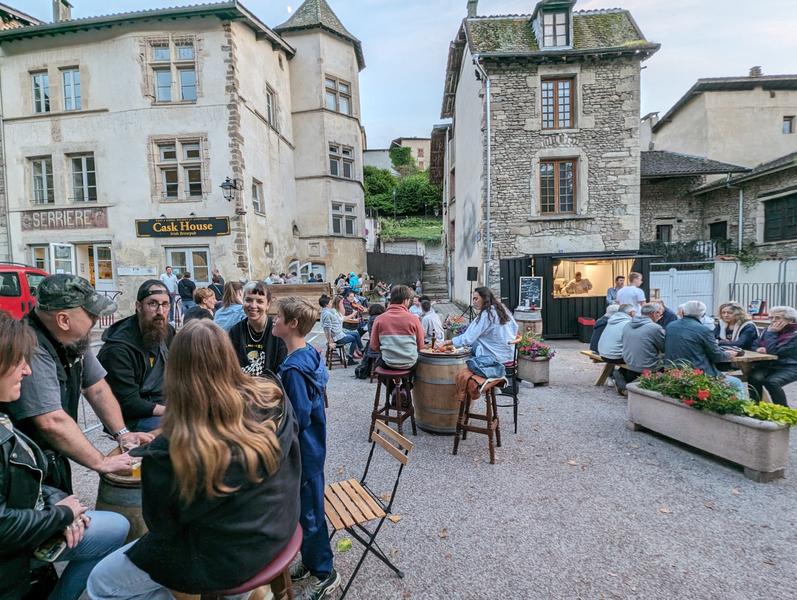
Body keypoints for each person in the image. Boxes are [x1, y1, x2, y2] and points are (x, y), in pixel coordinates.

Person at [87, 320, 301, 599]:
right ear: (229, 357)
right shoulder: (272, 397)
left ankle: (239, 592)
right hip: (278, 525)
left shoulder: (171, 453)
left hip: (225, 559)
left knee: (101, 583)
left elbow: (162, 526)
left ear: (175, 372)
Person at [0, 313, 130, 600]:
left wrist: (56, 501)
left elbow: (26, 480)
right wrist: (61, 515)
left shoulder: (5, 419)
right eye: (18, 361)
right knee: (116, 528)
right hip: (14, 551)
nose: (28, 371)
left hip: (30, 524)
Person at [3, 275, 149, 493]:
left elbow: (97, 388)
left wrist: (122, 433)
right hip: (28, 465)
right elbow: (51, 421)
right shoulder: (33, 346)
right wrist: (101, 462)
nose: (96, 319)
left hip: (53, 457)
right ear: (63, 320)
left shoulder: (73, 338)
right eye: (91, 314)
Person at [273, 299, 341, 598]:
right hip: (313, 447)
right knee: (307, 509)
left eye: (278, 317)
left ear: (292, 324)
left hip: (304, 452)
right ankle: (312, 561)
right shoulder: (309, 353)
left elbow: (297, 418)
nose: (274, 320)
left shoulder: (293, 369)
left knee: (310, 514)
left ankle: (325, 572)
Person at [98, 281, 175, 432]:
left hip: (164, 403)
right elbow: (129, 403)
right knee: (186, 429)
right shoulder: (118, 349)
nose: (160, 311)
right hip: (132, 416)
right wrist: (175, 411)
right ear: (139, 306)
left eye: (165, 305)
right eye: (153, 304)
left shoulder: (167, 331)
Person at [664, 300, 746, 397]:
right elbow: (717, 356)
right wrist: (729, 354)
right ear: (703, 314)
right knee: (736, 382)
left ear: (682, 312)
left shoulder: (670, 326)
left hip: (673, 371)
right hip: (698, 374)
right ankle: (740, 407)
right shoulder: (703, 330)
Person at [442, 287, 518, 364]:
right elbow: (515, 328)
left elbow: (468, 338)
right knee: (475, 345)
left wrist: (446, 342)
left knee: (463, 361)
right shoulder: (502, 309)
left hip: (495, 358)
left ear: (485, 298)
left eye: (476, 299)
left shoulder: (487, 314)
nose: (474, 302)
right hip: (510, 355)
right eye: (473, 299)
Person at [229, 281, 287, 378]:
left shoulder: (278, 332)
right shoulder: (235, 332)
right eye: (248, 300)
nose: (253, 306)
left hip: (271, 385)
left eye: (260, 301)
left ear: (268, 304)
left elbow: (282, 370)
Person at [748, 306, 797, 406]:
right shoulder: (768, 330)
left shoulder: (794, 334)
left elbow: (774, 352)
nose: (773, 320)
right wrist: (757, 349)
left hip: (790, 366)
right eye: (771, 318)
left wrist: (772, 334)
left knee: (772, 382)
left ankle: (782, 410)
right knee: (754, 377)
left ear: (790, 320)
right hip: (770, 364)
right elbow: (754, 345)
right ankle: (755, 407)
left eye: (777, 318)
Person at [370, 285, 425, 370]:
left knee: (378, 362)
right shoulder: (414, 319)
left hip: (387, 362)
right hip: (410, 363)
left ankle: (388, 380)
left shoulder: (379, 319)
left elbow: (374, 345)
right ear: (405, 300)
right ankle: (410, 379)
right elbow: (421, 346)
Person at [621, 303, 665, 385]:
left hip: (629, 363)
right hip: (648, 366)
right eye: (659, 313)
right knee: (671, 359)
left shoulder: (627, 325)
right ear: (654, 313)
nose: (660, 316)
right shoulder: (655, 328)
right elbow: (664, 348)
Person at [598, 304, 635, 392]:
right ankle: (623, 377)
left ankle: (619, 374)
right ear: (631, 313)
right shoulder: (628, 323)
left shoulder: (612, 320)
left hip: (603, 353)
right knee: (639, 358)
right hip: (615, 356)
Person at [320, 294, 363, 363]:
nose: (331, 303)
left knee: (355, 334)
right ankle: (350, 359)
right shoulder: (327, 314)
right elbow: (327, 329)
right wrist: (330, 342)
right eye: (330, 302)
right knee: (353, 338)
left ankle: (362, 350)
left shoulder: (330, 311)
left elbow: (341, 319)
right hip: (337, 337)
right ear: (326, 304)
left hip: (339, 333)